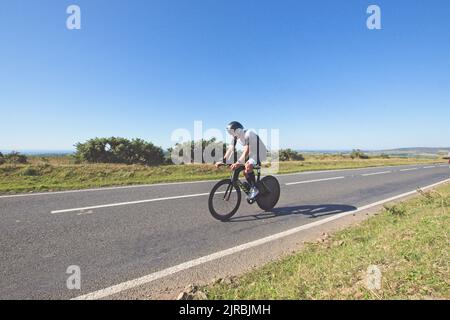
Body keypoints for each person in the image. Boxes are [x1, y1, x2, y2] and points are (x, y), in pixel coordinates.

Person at [215, 121, 267, 200]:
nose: (231, 134)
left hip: (260, 152)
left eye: (232, 132)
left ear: (238, 130)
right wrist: (223, 161)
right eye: (229, 132)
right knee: (244, 171)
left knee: (248, 166)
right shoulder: (235, 138)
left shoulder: (249, 133)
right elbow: (230, 149)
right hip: (251, 153)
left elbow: (246, 150)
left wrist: (238, 162)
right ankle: (252, 185)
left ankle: (254, 189)